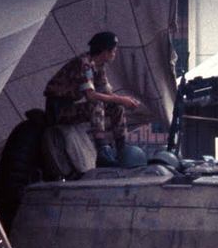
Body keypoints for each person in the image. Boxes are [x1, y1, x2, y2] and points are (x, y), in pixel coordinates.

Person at [44, 31, 145, 167]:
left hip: (70, 106)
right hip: (58, 109)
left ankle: (122, 149)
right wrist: (121, 99)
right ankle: (102, 150)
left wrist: (124, 100)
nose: (114, 54)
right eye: (113, 51)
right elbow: (90, 95)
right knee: (96, 103)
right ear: (104, 52)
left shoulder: (99, 66)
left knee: (117, 107)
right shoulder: (85, 64)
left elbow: (107, 93)